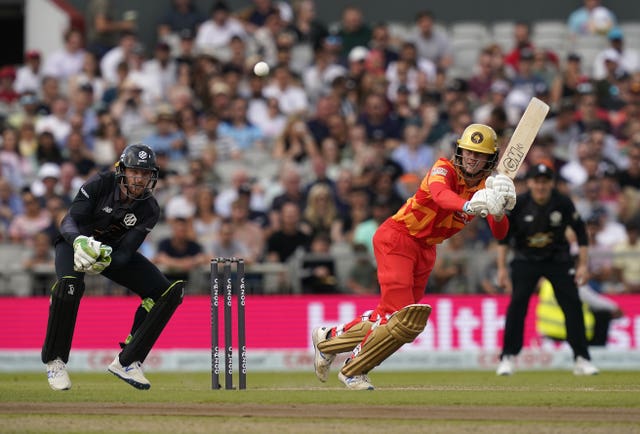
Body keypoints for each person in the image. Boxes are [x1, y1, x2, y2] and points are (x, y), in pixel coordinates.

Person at [312, 124, 515, 390]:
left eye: (479, 154)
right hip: (398, 238)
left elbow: (500, 233)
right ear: (459, 151)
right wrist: (469, 204)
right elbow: (442, 196)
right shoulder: (443, 168)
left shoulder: (485, 187)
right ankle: (353, 370)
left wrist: (498, 211)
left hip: (426, 249)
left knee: (391, 318)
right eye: (468, 151)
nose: (471, 158)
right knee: (403, 319)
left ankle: (328, 339)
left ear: (490, 159)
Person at [41, 143, 185, 391]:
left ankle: (128, 361)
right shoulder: (100, 183)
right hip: (75, 244)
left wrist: (104, 258)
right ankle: (55, 360)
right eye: (134, 172)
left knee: (166, 292)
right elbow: (69, 221)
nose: (139, 178)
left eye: (145, 173)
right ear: (123, 171)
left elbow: (127, 252)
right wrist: (81, 242)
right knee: (70, 287)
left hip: (111, 252)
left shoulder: (149, 208)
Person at [495, 163, 599, 376]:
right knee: (517, 307)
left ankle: (582, 359)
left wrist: (583, 265)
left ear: (551, 183)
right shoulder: (519, 203)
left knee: (572, 306)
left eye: (545, 182)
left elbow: (581, 233)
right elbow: (504, 238)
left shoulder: (562, 202)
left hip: (557, 260)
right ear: (530, 182)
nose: (541, 186)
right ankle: (508, 357)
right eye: (537, 181)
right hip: (525, 259)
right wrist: (502, 270)